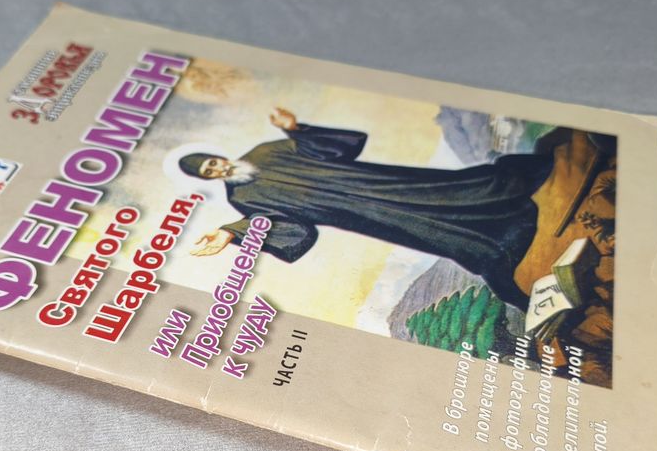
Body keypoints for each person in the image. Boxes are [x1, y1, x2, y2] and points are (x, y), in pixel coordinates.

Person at [181, 108, 553, 309]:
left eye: (213, 162)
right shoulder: (243, 199)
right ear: (209, 178)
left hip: (379, 181)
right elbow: (293, 230)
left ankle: (518, 187)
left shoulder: (265, 152)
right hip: (366, 215)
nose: (218, 169)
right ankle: (495, 250)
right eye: (209, 172)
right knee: (433, 235)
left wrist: (298, 130)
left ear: (218, 156)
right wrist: (231, 233)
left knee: (449, 190)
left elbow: (337, 148)